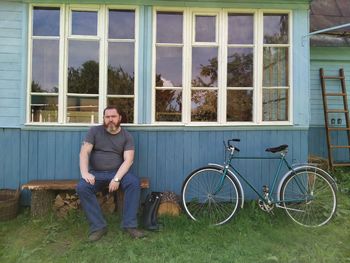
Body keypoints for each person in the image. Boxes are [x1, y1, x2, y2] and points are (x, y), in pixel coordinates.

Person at [76, 106, 146, 241]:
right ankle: (98, 227)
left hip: (118, 172)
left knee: (133, 183)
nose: (110, 120)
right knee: (82, 187)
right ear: (103, 118)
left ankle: (129, 225)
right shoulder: (94, 131)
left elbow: (128, 160)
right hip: (96, 173)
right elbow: (84, 152)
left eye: (113, 117)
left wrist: (117, 178)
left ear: (119, 118)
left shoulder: (126, 136)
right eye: (107, 117)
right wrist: (84, 173)